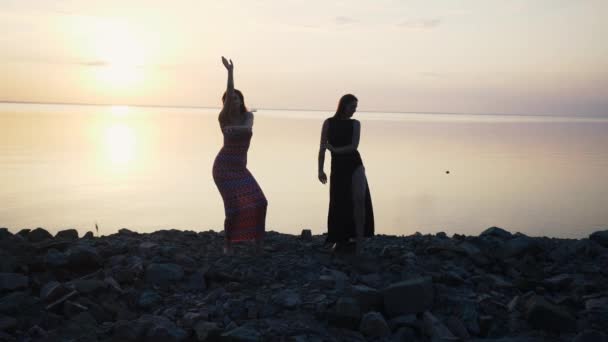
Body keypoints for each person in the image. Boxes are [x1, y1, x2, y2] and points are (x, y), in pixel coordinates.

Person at [212, 56, 267, 255]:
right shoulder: (223, 117)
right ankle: (228, 243)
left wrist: (234, 129)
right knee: (233, 207)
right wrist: (230, 73)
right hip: (223, 168)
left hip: (240, 168)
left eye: (237, 97)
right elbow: (237, 127)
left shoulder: (248, 117)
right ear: (225, 102)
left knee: (260, 202)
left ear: (242, 100)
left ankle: (258, 242)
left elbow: (246, 128)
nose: (233, 99)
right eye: (229, 98)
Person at [318, 94, 374, 255]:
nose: (354, 110)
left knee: (359, 201)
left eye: (356, 107)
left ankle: (360, 243)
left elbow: (353, 146)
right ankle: (340, 239)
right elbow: (322, 147)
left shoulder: (355, 124)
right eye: (352, 107)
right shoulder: (328, 123)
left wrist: (335, 150)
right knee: (339, 202)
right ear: (343, 105)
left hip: (354, 165)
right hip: (337, 167)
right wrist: (320, 170)